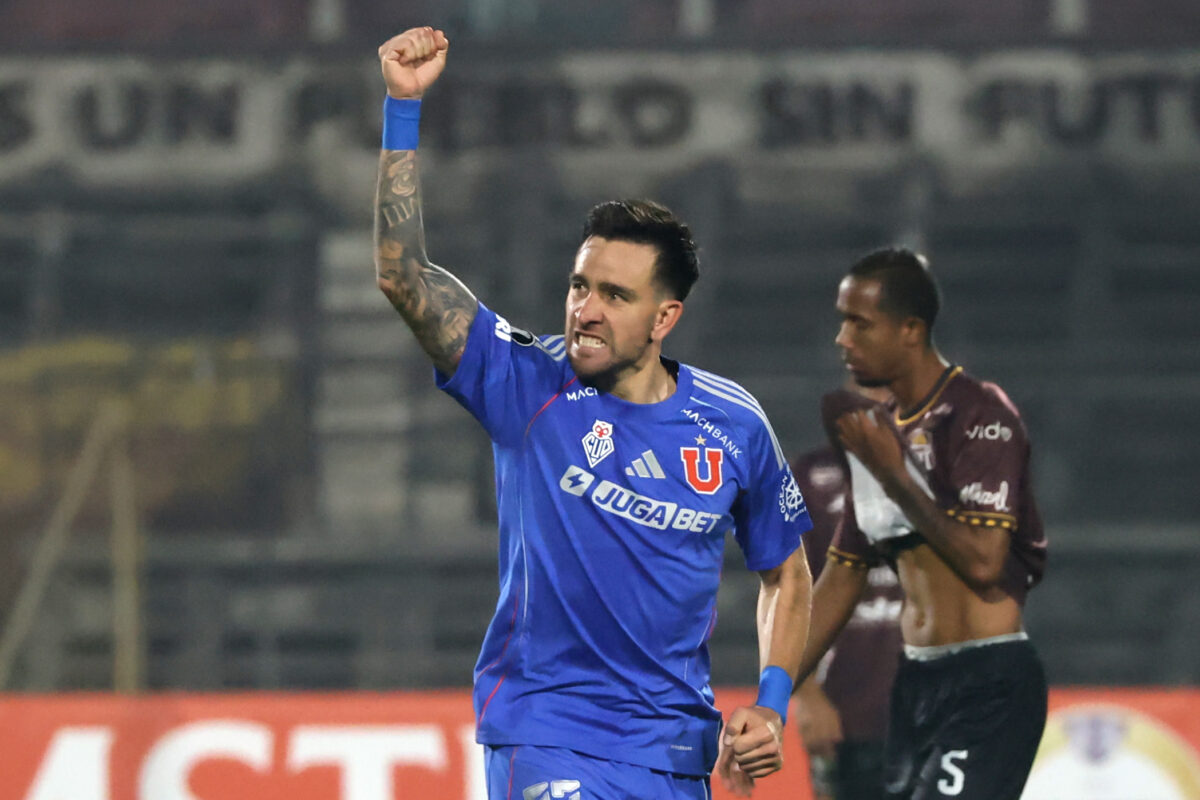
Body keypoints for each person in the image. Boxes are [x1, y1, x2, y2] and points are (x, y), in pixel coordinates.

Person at [372, 27, 813, 800]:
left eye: (615, 295)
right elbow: (401, 276)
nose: (586, 310)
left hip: (675, 755)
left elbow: (788, 572)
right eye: (580, 286)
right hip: (549, 733)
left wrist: (772, 705)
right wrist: (402, 108)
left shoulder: (733, 424)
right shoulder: (527, 382)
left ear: (665, 317)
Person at [796, 247, 1049, 800]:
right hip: (914, 685)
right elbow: (841, 575)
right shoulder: (873, 438)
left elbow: (984, 561)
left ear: (909, 330)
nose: (843, 339)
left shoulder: (979, 416)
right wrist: (775, 693)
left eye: (859, 323)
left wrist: (895, 476)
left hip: (985, 682)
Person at [789, 384, 903, 800]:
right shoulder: (810, 476)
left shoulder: (942, 472)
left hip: (931, 707)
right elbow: (785, 593)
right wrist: (807, 695)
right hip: (845, 708)